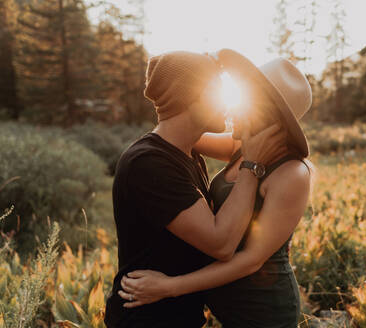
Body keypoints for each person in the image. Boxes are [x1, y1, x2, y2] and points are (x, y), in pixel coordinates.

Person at [117, 49, 313, 328]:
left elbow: (250, 261)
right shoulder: (240, 146)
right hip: (218, 305)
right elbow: (178, 134)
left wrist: (171, 286)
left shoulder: (291, 173)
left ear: (272, 114)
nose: (233, 106)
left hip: (263, 309)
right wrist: (179, 88)